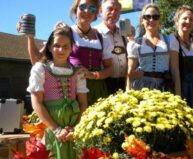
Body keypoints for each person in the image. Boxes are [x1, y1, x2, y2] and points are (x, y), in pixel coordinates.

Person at [20, 0, 113, 106]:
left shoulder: (102, 37)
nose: (87, 11)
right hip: (71, 88)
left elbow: (110, 69)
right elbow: (37, 60)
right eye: (82, 7)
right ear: (75, 9)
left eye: (92, 9)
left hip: (98, 90)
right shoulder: (65, 32)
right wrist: (30, 36)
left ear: (96, 13)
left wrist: (94, 75)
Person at [27, 27, 88, 159]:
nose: (61, 50)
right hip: (49, 124)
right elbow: (37, 103)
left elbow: (83, 103)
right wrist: (57, 129)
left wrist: (76, 127)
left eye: (65, 46)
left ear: (71, 48)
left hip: (73, 125)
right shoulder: (40, 69)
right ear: (49, 47)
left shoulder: (78, 72)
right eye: (57, 45)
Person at [126, 3, 181, 95]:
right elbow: (130, 70)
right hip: (140, 88)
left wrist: (178, 94)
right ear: (142, 20)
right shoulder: (135, 43)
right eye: (147, 16)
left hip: (164, 87)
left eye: (155, 17)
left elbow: (175, 70)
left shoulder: (170, 40)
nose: (151, 20)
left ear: (159, 20)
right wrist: (128, 93)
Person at [169, 5, 193, 115]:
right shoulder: (171, 39)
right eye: (184, 18)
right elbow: (174, 69)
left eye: (191, 19)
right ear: (177, 20)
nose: (188, 21)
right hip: (180, 86)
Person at [95, 0, 128, 95]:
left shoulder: (124, 33)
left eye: (117, 10)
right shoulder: (94, 32)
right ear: (101, 11)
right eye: (109, 9)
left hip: (125, 84)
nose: (113, 12)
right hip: (104, 84)